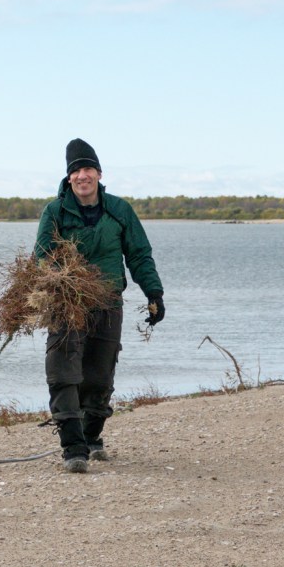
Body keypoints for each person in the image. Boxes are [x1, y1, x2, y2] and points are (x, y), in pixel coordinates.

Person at [34, 138, 165, 473]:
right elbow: (42, 257)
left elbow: (138, 254)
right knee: (63, 373)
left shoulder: (119, 210)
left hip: (107, 302)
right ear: (68, 178)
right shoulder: (55, 211)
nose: (82, 176)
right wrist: (58, 281)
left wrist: (153, 293)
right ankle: (73, 449)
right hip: (66, 303)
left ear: (99, 173)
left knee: (100, 376)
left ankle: (92, 437)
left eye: (87, 168)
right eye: (76, 170)